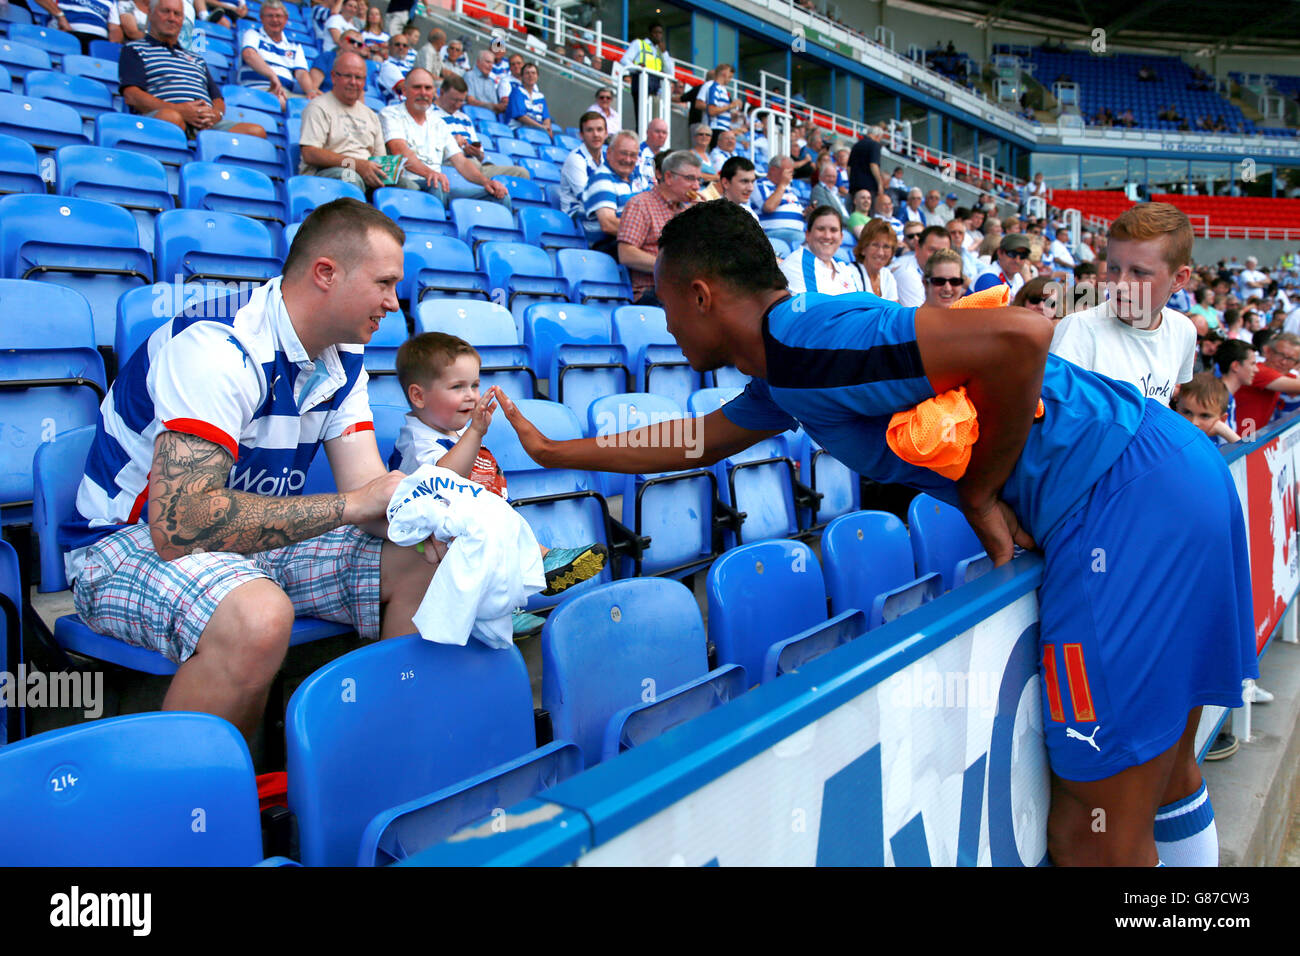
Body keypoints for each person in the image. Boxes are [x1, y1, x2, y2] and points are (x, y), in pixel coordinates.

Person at [492, 199, 1257, 868]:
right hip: (1171, 473)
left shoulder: (811, 350)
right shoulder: (789, 365)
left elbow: (1022, 337)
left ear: (700, 295)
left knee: (1094, 836)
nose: (661, 323)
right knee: (1168, 774)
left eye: (663, 305)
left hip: (1125, 500)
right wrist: (558, 452)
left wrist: (981, 491)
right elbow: (696, 441)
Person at [60, 199, 442, 741]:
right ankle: (187, 808)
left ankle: (379, 753)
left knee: (422, 557)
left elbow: (367, 494)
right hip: (126, 542)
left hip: (247, 540)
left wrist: (439, 516)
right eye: (384, 282)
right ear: (326, 273)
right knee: (258, 615)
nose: (393, 302)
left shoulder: (343, 353)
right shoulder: (217, 346)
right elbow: (181, 527)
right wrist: (355, 504)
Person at [391, 332, 606, 633]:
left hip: (452, 528)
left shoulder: (450, 431)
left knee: (492, 520)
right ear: (418, 396)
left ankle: (508, 603)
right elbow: (443, 478)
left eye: (475, 385)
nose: (471, 395)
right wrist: (476, 432)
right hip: (421, 542)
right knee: (485, 521)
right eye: (458, 387)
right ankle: (537, 568)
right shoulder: (417, 440)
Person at [1050, 204, 1198, 403]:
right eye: (1114, 268)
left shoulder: (1184, 330)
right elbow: (1059, 422)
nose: (1119, 284)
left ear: (1179, 278)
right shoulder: (1079, 330)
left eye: (1139, 272)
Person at [119, 0, 266, 138]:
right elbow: (132, 95)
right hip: (166, 117)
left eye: (177, 14)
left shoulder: (197, 58)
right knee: (172, 118)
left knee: (256, 132)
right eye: (165, 12)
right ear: (150, 14)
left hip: (206, 124)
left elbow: (217, 98)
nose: (172, 18)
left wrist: (216, 114)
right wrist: (179, 110)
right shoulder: (135, 49)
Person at [381, 68, 511, 209]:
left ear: (434, 93)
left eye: (428, 88)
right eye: (417, 87)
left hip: (438, 188)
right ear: (405, 91)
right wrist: (431, 174)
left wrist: (486, 182)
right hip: (407, 186)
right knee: (437, 185)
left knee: (499, 196)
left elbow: (460, 161)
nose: (423, 93)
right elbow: (400, 150)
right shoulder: (390, 114)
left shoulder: (439, 123)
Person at [617, 150, 700, 304]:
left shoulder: (687, 211)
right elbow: (626, 253)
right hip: (652, 292)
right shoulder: (641, 204)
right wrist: (672, 268)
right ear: (668, 177)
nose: (696, 186)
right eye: (690, 179)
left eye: (698, 180)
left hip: (683, 292)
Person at [298, 51, 386, 192]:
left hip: (365, 172)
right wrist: (355, 164)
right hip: (325, 174)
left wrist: (392, 170)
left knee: (407, 186)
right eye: (347, 76)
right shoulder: (318, 107)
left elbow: (380, 159)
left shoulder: (371, 116)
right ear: (333, 77)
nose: (353, 82)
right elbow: (310, 153)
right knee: (350, 177)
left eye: (358, 78)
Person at [431, 75, 529, 182]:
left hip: (477, 167)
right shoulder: (429, 114)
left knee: (522, 173)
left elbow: (481, 156)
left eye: (461, 101)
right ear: (442, 92)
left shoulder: (465, 118)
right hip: (451, 166)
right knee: (472, 164)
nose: (457, 105)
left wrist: (477, 153)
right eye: (454, 100)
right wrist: (451, 141)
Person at [239, 0, 319, 107]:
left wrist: (310, 92)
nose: (275, 20)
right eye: (270, 16)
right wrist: (272, 76)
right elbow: (249, 54)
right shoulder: (253, 34)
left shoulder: (294, 46)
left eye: (278, 16)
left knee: (318, 107)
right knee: (280, 100)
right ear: (262, 18)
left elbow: (302, 73)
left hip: (286, 93)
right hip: (258, 89)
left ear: (286, 19)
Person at [1226, 331, 1300, 436]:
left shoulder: (1282, 375)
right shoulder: (1259, 371)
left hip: (1252, 439)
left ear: (1296, 364)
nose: (1283, 362)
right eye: (1280, 355)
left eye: (1290, 359)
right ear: (1268, 351)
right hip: (1238, 441)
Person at [779, 205, 863, 296]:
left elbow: (859, 307)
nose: (827, 236)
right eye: (821, 229)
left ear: (841, 237)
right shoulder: (795, 265)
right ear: (808, 235)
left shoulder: (844, 268)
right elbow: (814, 308)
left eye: (833, 230)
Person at [581, 130, 639, 256]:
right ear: (609, 153)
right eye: (623, 153)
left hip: (633, 242)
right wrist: (646, 234)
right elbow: (608, 224)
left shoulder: (639, 179)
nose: (628, 159)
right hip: (607, 247)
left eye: (633, 155)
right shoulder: (601, 178)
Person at [620, 21, 674, 119]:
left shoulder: (661, 51)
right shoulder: (639, 43)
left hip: (655, 86)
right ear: (650, 33)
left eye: (660, 33)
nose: (658, 35)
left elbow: (670, 73)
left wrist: (665, 53)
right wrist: (637, 68)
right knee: (641, 116)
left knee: (652, 117)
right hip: (641, 81)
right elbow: (624, 60)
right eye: (656, 32)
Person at [559, 110, 607, 218]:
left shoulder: (608, 158)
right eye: (590, 130)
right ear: (581, 135)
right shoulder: (576, 158)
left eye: (599, 130)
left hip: (602, 209)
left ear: (606, 133)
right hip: (576, 215)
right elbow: (587, 196)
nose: (595, 134)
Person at [751, 156, 804, 249]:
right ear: (773, 170)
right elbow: (769, 207)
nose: (791, 175)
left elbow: (800, 212)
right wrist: (782, 185)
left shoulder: (789, 189)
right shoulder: (759, 184)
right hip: (773, 232)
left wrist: (808, 212)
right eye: (788, 171)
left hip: (796, 232)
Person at [33, 0, 123, 54]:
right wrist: (61, 16)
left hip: (97, 41)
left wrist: (112, 45)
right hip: (68, 33)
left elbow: (114, 28)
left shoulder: (112, 1)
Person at [892, 224, 949, 308]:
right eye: (932, 250)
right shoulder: (907, 274)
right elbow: (921, 318)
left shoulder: (943, 273)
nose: (938, 256)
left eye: (943, 252)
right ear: (918, 248)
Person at [1176, 372, 1240, 444]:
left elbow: (1245, 453)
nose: (1194, 422)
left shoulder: (1217, 445)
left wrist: (1224, 430)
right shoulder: (1168, 437)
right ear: (1177, 408)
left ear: (1222, 419)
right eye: (1187, 412)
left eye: (1205, 416)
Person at [852, 219, 899, 302]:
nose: (880, 253)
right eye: (875, 245)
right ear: (863, 248)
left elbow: (894, 311)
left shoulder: (887, 275)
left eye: (886, 246)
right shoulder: (850, 274)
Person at [504, 62, 552, 140]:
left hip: (536, 132)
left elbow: (546, 117)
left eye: (533, 73)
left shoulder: (540, 96)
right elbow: (521, 116)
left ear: (537, 76)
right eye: (527, 73)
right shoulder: (517, 92)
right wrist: (541, 127)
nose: (530, 76)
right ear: (522, 77)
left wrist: (547, 129)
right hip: (518, 131)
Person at [700, 63, 738, 150]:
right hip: (717, 128)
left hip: (723, 128)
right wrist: (731, 106)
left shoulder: (722, 89)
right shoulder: (714, 88)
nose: (730, 79)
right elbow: (712, 110)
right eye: (729, 75)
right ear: (724, 73)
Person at [847, 126, 886, 209]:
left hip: (854, 186)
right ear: (878, 136)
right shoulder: (875, 145)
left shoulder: (856, 145)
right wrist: (880, 183)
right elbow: (873, 165)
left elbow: (849, 168)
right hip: (869, 187)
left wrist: (852, 181)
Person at [464, 48, 511, 116]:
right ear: (478, 62)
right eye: (488, 62)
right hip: (473, 115)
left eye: (492, 63)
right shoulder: (469, 76)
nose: (490, 66)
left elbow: (495, 105)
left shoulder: (490, 81)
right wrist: (493, 106)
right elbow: (470, 101)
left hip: (490, 117)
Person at [809, 158, 850, 228]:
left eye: (834, 177)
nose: (831, 179)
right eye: (828, 176)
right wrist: (850, 222)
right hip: (836, 226)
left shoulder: (835, 191)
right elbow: (827, 212)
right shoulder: (818, 190)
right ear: (820, 177)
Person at [374, 33, 414, 104]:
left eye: (405, 46)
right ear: (389, 47)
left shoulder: (409, 67)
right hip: (398, 106)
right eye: (397, 44)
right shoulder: (388, 66)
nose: (401, 47)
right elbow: (404, 87)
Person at [636, 117, 669, 187]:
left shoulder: (667, 156)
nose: (661, 135)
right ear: (648, 133)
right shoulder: (637, 152)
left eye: (664, 133)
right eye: (657, 131)